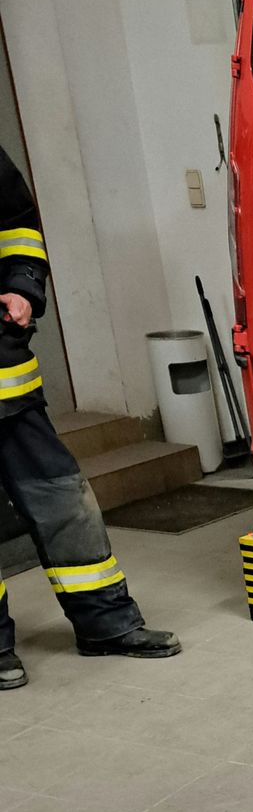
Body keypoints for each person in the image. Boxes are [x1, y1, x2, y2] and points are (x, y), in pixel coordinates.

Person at [0, 144, 179, 689]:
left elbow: (17, 223)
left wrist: (22, 286)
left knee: (65, 501)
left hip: (8, 384)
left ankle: (106, 625)